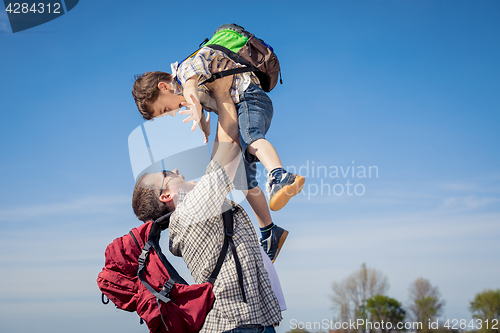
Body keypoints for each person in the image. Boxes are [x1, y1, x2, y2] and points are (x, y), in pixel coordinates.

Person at [131, 75, 282, 333]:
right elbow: (231, 144)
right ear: (165, 195)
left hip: (247, 323)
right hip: (237, 326)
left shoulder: (196, 205)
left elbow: (220, 151)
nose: (176, 169)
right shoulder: (193, 209)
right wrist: (222, 95)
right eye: (168, 174)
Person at [132, 47, 305, 262]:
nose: (173, 113)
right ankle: (269, 231)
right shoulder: (187, 95)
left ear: (164, 86)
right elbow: (201, 105)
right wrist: (204, 124)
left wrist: (195, 108)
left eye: (165, 109)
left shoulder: (186, 71)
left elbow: (191, 90)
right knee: (243, 179)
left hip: (250, 98)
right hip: (240, 107)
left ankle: (279, 175)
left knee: (251, 136)